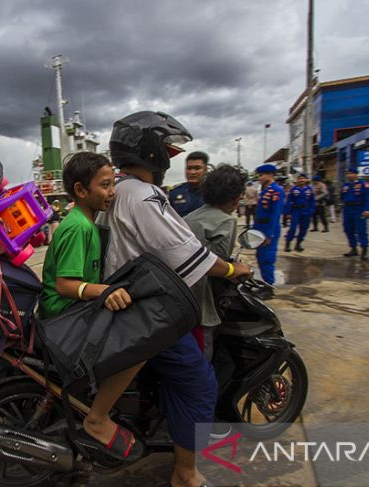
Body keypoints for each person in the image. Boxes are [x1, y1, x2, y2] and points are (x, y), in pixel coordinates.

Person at [97, 111, 251, 487]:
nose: (171, 158)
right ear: (151, 152)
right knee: (199, 383)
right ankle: (185, 475)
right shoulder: (144, 196)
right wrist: (234, 270)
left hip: (124, 298)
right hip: (146, 308)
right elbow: (190, 255)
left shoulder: (118, 190)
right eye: (166, 150)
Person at [40, 152, 143, 461]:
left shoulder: (87, 221)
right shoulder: (78, 228)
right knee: (139, 345)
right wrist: (106, 291)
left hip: (73, 309)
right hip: (63, 313)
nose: (112, 193)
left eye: (113, 185)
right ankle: (97, 417)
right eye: (106, 185)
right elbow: (65, 285)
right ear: (81, 190)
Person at [184, 164, 246, 361]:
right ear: (236, 198)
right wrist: (235, 270)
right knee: (201, 368)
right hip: (200, 306)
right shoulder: (226, 222)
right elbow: (215, 267)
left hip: (179, 300)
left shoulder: (191, 216)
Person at [253, 164, 285, 293]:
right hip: (260, 227)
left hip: (268, 229)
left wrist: (269, 234)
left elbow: (275, 214)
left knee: (267, 258)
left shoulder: (276, 190)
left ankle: (269, 287)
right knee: (260, 256)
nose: (259, 178)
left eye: (261, 175)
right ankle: (265, 283)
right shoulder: (265, 190)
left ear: (270, 175)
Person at [341, 167, 369, 260]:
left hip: (359, 209)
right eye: (348, 173)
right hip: (347, 209)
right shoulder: (345, 185)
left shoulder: (363, 184)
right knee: (348, 229)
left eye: (352, 173)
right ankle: (353, 248)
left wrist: (367, 209)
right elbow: (342, 196)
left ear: (356, 174)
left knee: (361, 230)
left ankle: (364, 250)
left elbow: (368, 198)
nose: (350, 175)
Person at [168, 150, 209, 217]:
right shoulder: (175, 192)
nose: (192, 172)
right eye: (189, 168)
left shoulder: (213, 192)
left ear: (205, 169)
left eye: (197, 168)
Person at [284, 173, 315, 252]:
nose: (302, 180)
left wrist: (311, 211)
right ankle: (288, 243)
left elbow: (312, 202)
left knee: (304, 229)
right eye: (300, 178)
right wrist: (288, 213)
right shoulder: (294, 189)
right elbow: (288, 201)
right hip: (295, 211)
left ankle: (298, 244)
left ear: (306, 180)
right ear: (298, 180)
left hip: (306, 211)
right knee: (293, 228)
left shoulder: (309, 190)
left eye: (303, 178)